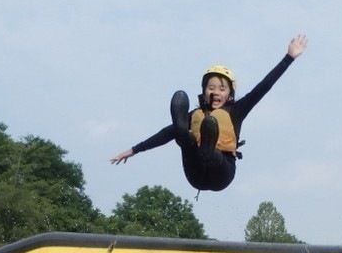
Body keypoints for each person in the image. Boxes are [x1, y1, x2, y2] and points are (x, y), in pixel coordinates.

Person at [110, 35, 308, 193]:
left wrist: (288, 58)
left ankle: (209, 147)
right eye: (211, 88)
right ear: (204, 91)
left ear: (230, 94)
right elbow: (165, 134)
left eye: (222, 89)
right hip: (195, 172)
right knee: (184, 131)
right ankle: (191, 136)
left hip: (222, 172)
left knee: (211, 125)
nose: (216, 92)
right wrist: (135, 149)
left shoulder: (237, 110)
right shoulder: (196, 114)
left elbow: (263, 87)